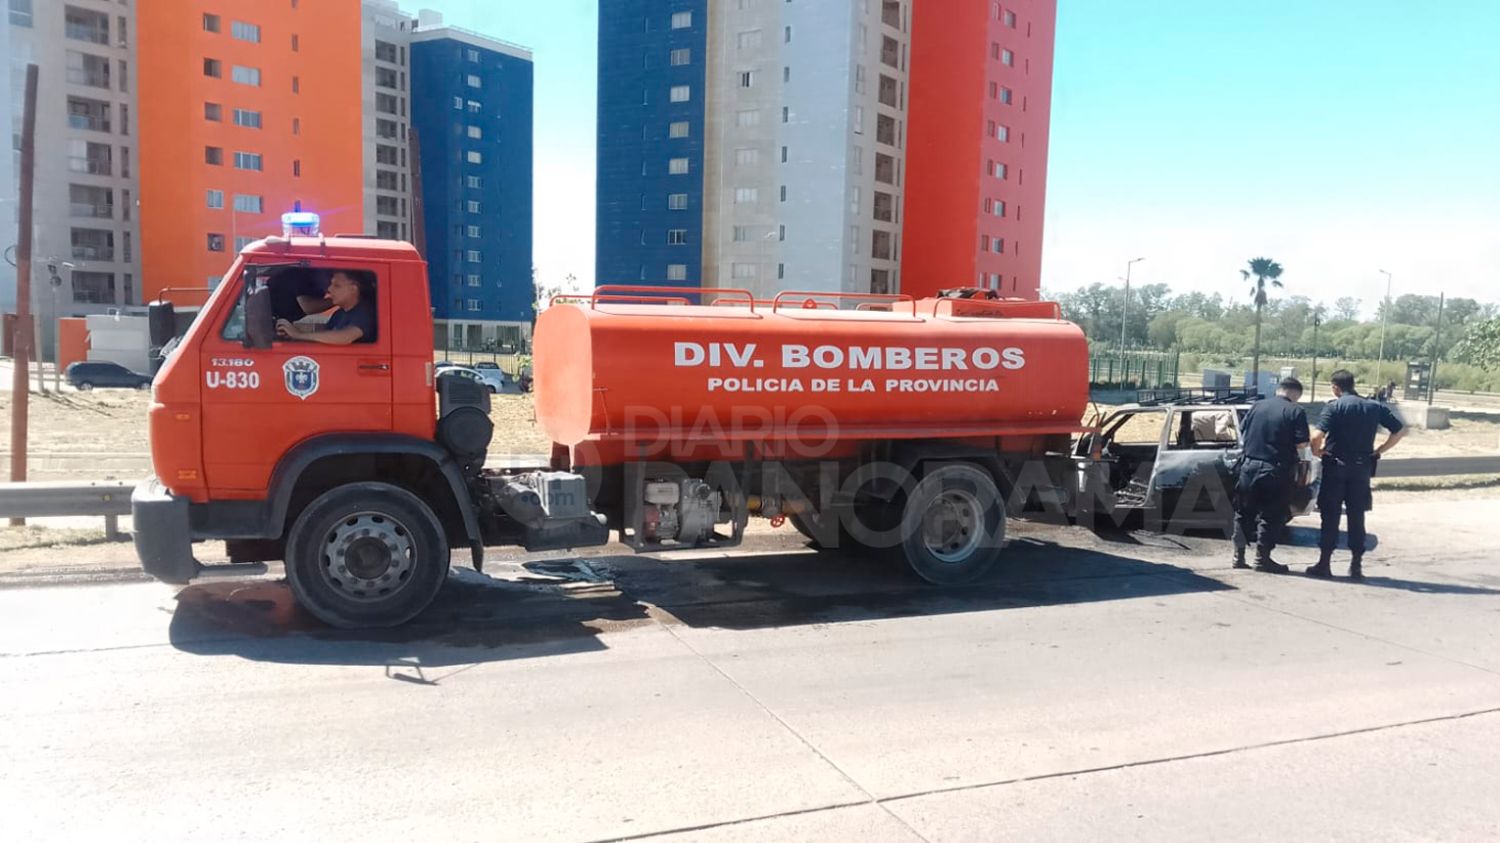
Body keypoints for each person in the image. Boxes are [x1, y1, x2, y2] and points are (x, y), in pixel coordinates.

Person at [1307, 369, 1406, 579]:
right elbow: (1399, 430)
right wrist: (1379, 450)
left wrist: (1318, 452)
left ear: (1336, 387)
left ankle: (1324, 563)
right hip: (1362, 469)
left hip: (1335, 467)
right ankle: (1356, 565)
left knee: (1330, 515)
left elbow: (1316, 436)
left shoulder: (1334, 407)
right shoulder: (1374, 406)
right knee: (1356, 515)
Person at [1230, 377, 1310, 573]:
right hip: (1275, 470)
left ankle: (1238, 556)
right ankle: (1262, 558)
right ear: (1295, 394)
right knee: (1271, 514)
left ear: (1279, 390)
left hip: (1248, 467)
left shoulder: (1256, 406)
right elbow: (1302, 444)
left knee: (1242, 513)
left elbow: (1242, 431)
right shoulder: (1295, 411)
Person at [276, 270, 377, 345]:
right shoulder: (339, 314)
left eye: (337, 285)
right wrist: (293, 337)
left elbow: (345, 337)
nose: (329, 289)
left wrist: (298, 334)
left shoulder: (364, 313)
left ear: (354, 289)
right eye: (331, 284)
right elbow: (324, 337)